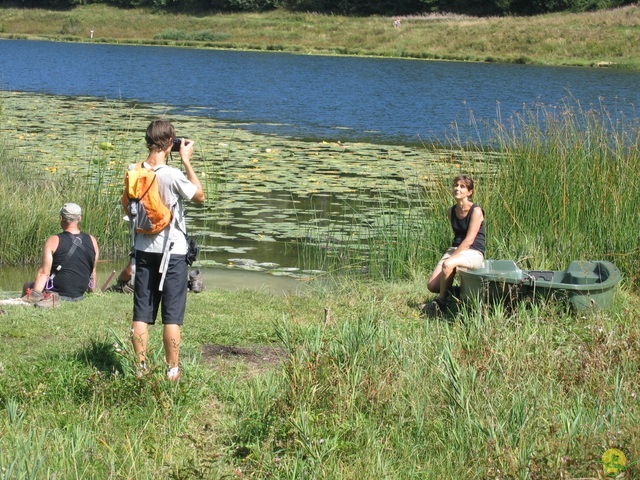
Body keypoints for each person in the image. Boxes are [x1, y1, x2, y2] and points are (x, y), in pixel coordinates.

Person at [129, 119, 204, 381]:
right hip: (171, 253)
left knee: (142, 313)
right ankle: (172, 371)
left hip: (143, 249)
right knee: (172, 315)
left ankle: (140, 369)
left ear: (148, 140)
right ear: (169, 142)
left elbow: (126, 209)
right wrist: (186, 160)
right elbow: (199, 195)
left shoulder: (134, 171)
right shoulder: (171, 174)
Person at [422, 175, 485, 316]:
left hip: (474, 252)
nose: (457, 188)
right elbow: (458, 237)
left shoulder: (476, 211)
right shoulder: (451, 212)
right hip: (456, 249)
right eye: (456, 185)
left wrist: (451, 260)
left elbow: (469, 240)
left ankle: (441, 304)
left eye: (462, 186)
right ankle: (460, 292)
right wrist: (452, 255)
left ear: (470, 192)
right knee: (432, 286)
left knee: (448, 265)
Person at [22, 203, 99, 307]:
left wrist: (35, 296)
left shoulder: (54, 240)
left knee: (27, 285)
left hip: (56, 294)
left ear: (61, 218)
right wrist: (91, 293)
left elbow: (44, 273)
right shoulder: (92, 240)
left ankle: (28, 305)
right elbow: (92, 272)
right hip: (80, 295)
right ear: (80, 218)